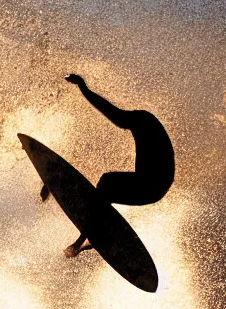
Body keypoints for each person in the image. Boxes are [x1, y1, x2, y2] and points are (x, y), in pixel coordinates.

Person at [41, 74, 175, 257]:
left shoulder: (142, 121)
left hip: (152, 184)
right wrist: (84, 89)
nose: (120, 121)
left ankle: (84, 239)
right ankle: (93, 227)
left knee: (107, 184)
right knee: (106, 186)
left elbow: (112, 113)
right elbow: (115, 114)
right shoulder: (144, 122)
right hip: (153, 186)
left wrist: (84, 89)